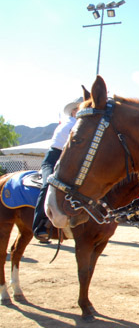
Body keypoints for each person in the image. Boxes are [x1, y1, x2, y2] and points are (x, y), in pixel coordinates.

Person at [32, 98, 82, 241]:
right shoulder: (70, 125)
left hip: (67, 161)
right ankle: (40, 226)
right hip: (53, 160)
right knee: (49, 184)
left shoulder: (80, 125)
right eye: (79, 108)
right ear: (73, 111)